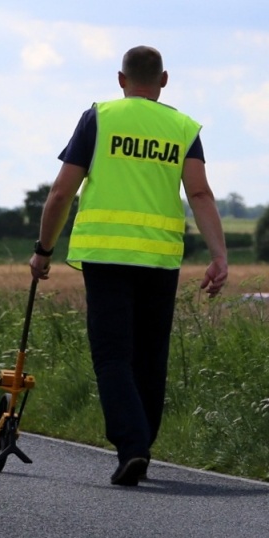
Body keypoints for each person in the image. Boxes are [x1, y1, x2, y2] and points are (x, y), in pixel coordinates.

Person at [28, 45, 229, 486]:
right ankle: (142, 442)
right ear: (164, 80)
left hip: (106, 257)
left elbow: (62, 192)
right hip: (159, 258)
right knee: (150, 356)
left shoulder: (99, 118)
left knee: (113, 355)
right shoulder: (182, 126)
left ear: (121, 80)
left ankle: (133, 446)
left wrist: (43, 250)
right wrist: (219, 255)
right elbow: (200, 195)